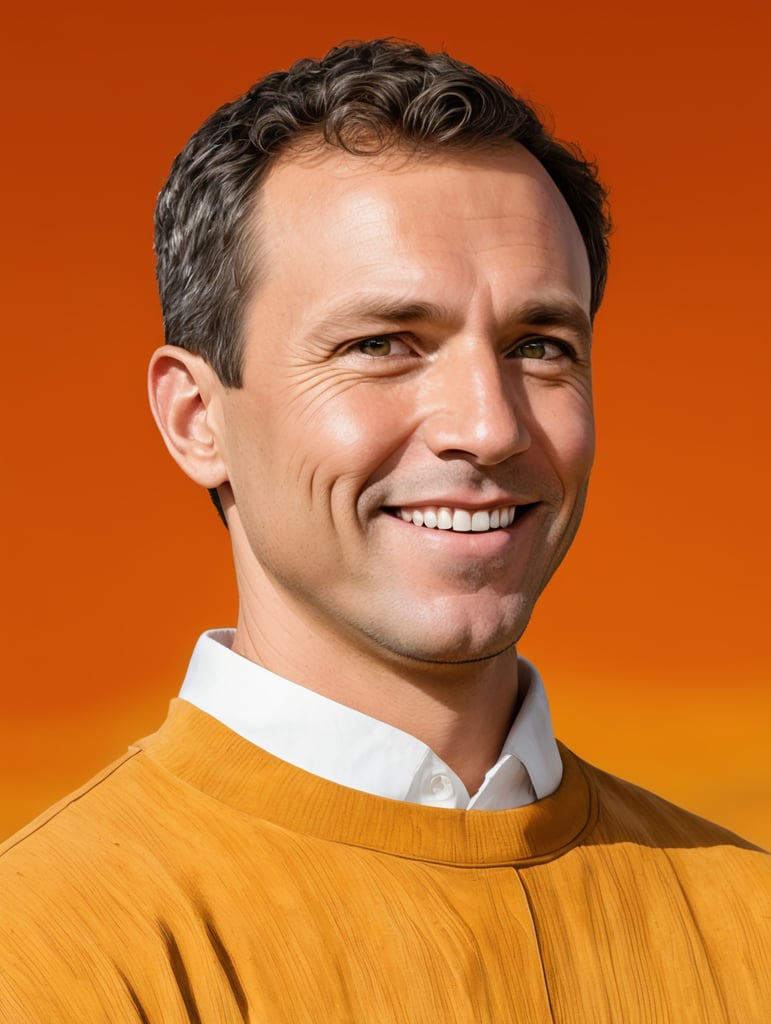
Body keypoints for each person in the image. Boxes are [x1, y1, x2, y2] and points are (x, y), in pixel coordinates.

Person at [1, 38, 768, 1023]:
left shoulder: (751, 924)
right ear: (197, 419)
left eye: (539, 346)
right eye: (380, 344)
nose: (489, 426)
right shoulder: (48, 959)